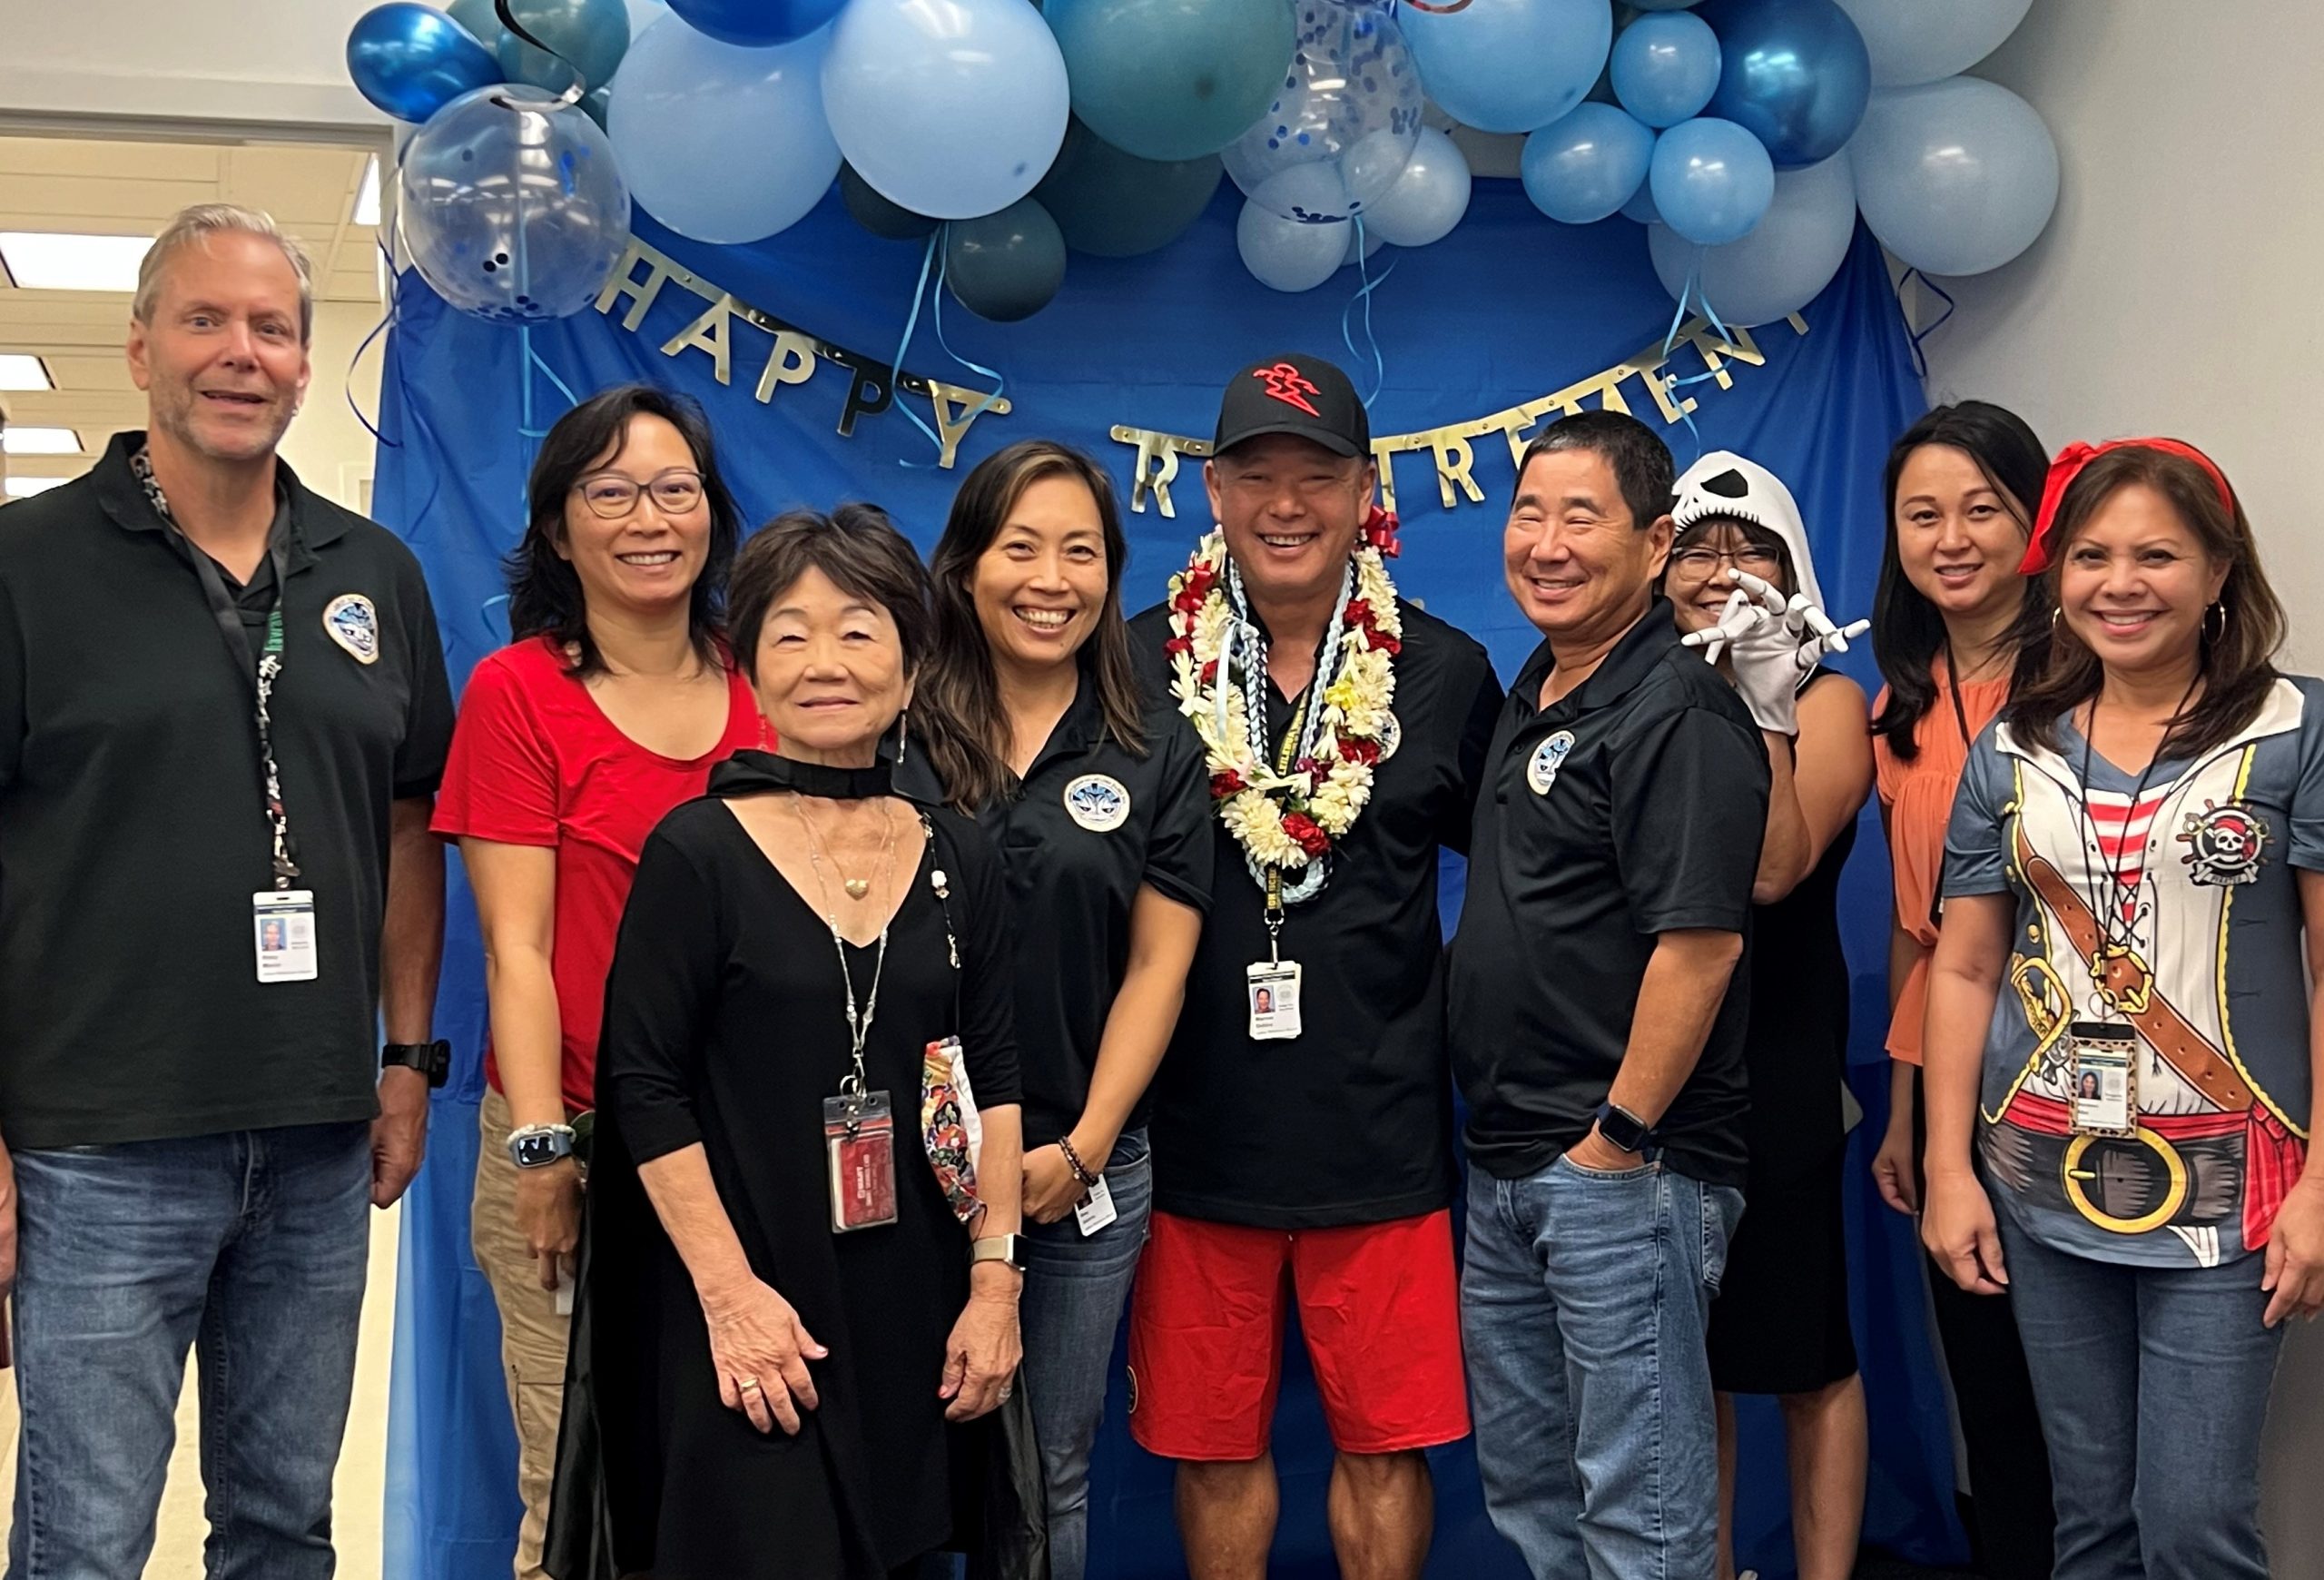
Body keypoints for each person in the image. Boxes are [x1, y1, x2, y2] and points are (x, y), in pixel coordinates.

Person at [0, 203, 454, 1579]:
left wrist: (406, 1060)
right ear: (141, 346)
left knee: (280, 1529)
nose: (239, 353)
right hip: (96, 1142)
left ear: (307, 364)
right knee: (82, 1542)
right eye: (205, 320)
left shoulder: (371, 573)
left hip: (317, 1139)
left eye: (272, 327)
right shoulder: (25, 567)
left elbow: (411, 824)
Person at [553, 506, 1027, 1580]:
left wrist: (994, 1292)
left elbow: (996, 1077)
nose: (827, 662)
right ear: (752, 676)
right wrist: (730, 1299)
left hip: (915, 1299)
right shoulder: (697, 851)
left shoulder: (959, 851)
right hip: (747, 1297)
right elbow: (644, 1087)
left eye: (859, 631)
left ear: (911, 670)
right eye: (791, 633)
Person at [1126, 353, 1501, 1580]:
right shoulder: (1133, 671)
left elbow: (1524, 890)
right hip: (1187, 1132)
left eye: (1316, 477)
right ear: (1213, 494)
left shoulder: (1442, 671)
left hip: (1380, 1131)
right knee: (1212, 1446)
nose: (1285, 505)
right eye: (1255, 476)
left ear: (1364, 492)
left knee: (1388, 1447)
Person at [1922, 438, 2324, 1578]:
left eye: (2157, 554)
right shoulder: (2010, 749)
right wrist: (1950, 1170)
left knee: (2195, 1525)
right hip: (2039, 1179)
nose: (2119, 582)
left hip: (2231, 1188)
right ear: (2056, 577)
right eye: (2091, 555)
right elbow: (1961, 969)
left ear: (2218, 573)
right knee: (2087, 1522)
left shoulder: (2298, 731)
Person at [429, 384, 764, 1580]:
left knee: (740, 1478)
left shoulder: (767, 686)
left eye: (675, 490)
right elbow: (514, 951)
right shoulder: (520, 695)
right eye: (609, 492)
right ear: (559, 527)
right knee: (577, 1490)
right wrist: (540, 1151)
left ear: (713, 516)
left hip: (742, 1149)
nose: (647, 518)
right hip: (570, 1136)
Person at [1447, 410, 1768, 1580]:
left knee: (1648, 1519)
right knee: (1533, 1496)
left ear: (1654, 543)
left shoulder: (1674, 712)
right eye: (1528, 513)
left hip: (1622, 1169)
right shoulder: (1536, 691)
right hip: (1506, 1161)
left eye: (1581, 517)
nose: (1546, 543)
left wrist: (1616, 1139)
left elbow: (1701, 948)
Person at [902, 439, 1209, 1580]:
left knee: (1049, 1469)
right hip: (913, 1167)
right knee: (912, 1455)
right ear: (966, 566)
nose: (1050, 578)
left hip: (1083, 1170)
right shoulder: (895, 733)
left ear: (1110, 574)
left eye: (1079, 551)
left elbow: (1158, 970)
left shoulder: (1152, 748)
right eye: (1019, 546)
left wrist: (1079, 1150)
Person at [1660, 452, 1875, 1580]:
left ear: (1791, 570)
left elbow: (1776, 868)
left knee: (1805, 1353)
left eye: (1751, 549)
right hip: (1660, 1067)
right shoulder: (1639, 688)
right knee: (1683, 1369)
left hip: (1782, 1060)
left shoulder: (1835, 700)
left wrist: (1768, 702)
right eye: (1695, 546)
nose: (1722, 570)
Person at [1864, 401, 2058, 1575]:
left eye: (1982, 509)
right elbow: (1915, 928)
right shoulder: (1902, 699)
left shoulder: (2088, 669)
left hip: (2077, 1068)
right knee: (1988, 1380)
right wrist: (1902, 1110)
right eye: (1923, 514)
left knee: (2087, 1391)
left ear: (2035, 520)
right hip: (1952, 1087)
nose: (1952, 538)